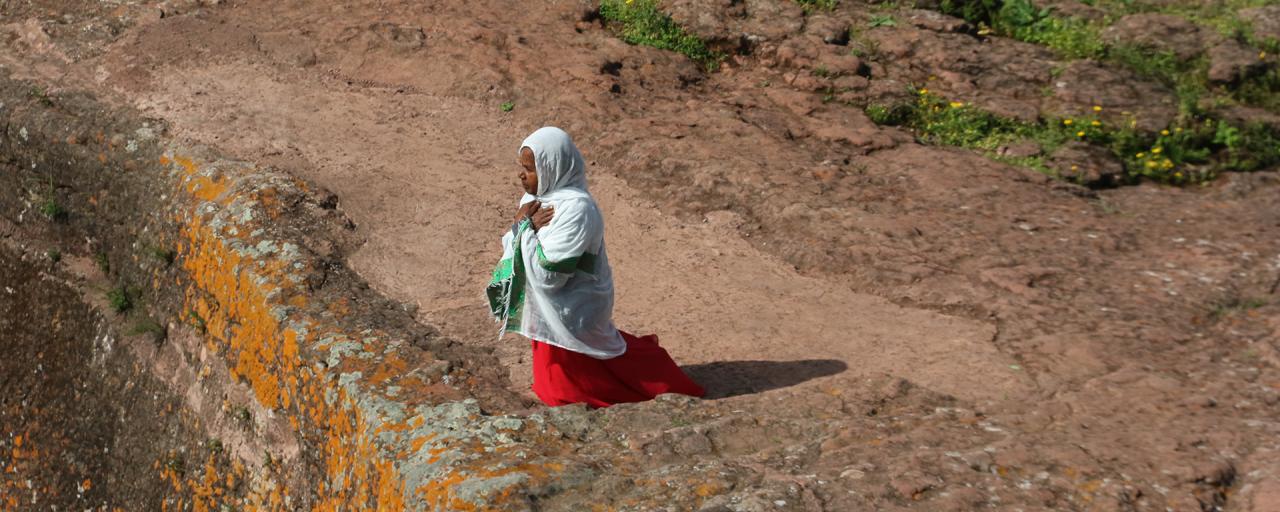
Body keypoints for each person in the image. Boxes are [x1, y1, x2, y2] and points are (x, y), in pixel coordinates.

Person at [486, 126, 705, 408]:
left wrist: (523, 230)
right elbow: (517, 239)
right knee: (560, 366)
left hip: (575, 301)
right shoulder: (533, 201)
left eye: (530, 169)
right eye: (522, 167)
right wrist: (522, 228)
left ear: (553, 167)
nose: (521, 175)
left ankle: (656, 380)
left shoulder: (578, 209)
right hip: (549, 303)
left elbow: (549, 275)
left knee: (583, 371)